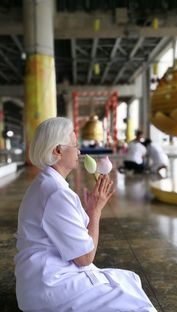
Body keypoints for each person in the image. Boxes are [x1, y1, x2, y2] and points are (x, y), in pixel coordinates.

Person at [14, 117, 157, 312]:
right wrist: (95, 210)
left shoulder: (45, 184)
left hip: (37, 279)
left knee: (129, 280)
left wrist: (90, 209)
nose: (79, 151)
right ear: (58, 150)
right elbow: (84, 258)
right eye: (74, 145)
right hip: (50, 286)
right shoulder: (56, 193)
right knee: (135, 304)